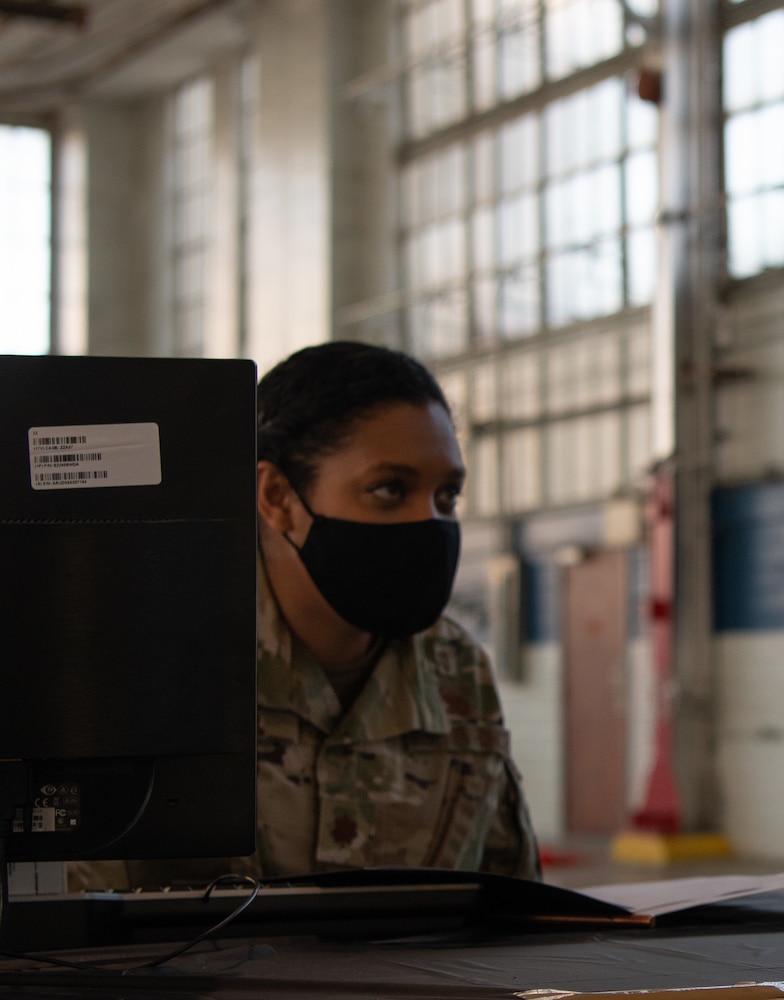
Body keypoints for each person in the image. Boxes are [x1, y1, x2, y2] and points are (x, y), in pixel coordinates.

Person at [73, 342, 539, 888]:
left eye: (447, 496)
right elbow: (69, 934)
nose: (429, 523)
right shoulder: (150, 669)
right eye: (390, 490)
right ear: (277, 498)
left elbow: (512, 910)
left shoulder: (457, 670)